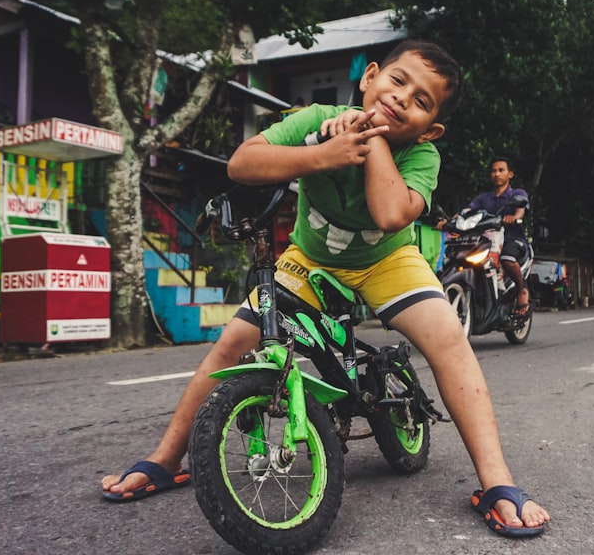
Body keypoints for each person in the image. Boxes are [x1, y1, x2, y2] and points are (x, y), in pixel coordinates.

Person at [101, 40, 549, 537]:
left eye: (422, 101)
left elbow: (389, 215)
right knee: (231, 343)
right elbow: (242, 165)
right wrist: (321, 154)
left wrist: (370, 139)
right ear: (369, 78)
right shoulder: (317, 118)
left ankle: (497, 481)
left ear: (431, 127)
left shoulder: (422, 157)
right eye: (397, 82)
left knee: (449, 340)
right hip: (308, 258)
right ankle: (167, 458)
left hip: (387, 260)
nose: (402, 98)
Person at [443, 157, 531, 315]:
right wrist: (450, 221)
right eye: (493, 171)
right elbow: (467, 212)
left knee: (507, 259)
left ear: (510, 174)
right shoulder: (483, 198)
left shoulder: (517, 194)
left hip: (512, 239)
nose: (497, 174)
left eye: (501, 170)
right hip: (485, 241)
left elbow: (521, 210)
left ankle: (521, 290)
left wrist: (514, 216)